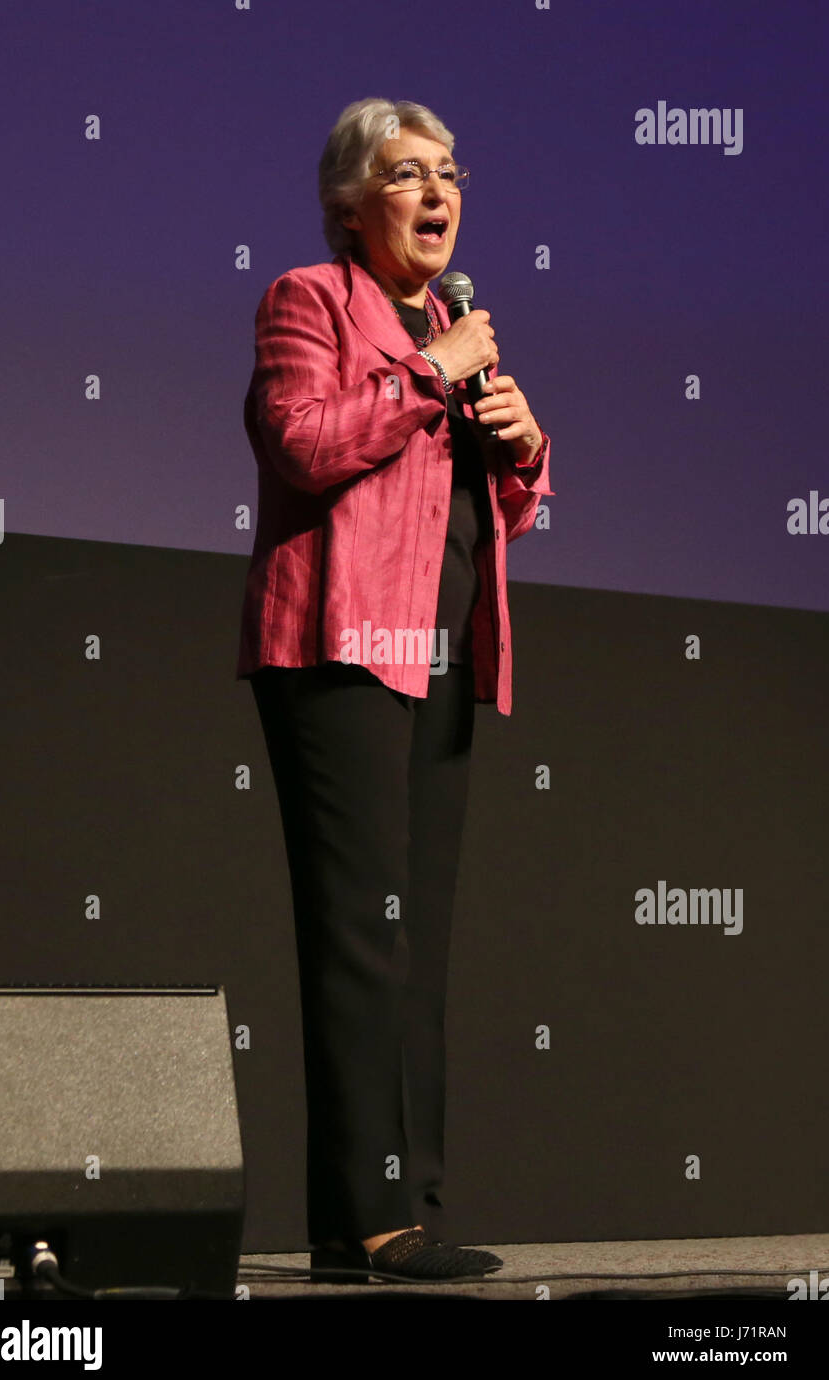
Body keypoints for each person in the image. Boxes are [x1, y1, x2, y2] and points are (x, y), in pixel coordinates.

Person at [236, 97, 554, 1282]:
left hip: (446, 654)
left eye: (450, 173)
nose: (438, 193)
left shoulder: (453, 324)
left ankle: (405, 1210)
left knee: (415, 943)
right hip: (338, 648)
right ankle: (363, 1218)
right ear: (349, 205)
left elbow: (486, 514)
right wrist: (432, 370)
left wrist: (521, 451)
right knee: (362, 937)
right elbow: (304, 445)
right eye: (409, 174)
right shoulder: (308, 300)